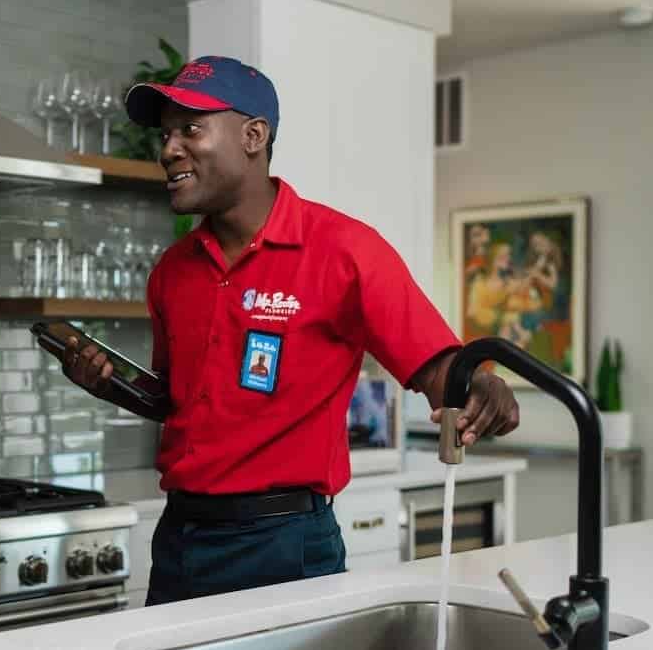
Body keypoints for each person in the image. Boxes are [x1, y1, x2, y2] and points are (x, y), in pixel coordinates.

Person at [62, 56, 520, 605]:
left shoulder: (346, 250)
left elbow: (440, 370)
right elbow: (178, 400)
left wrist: (480, 385)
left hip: (286, 545)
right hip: (181, 539)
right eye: (165, 135)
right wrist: (112, 384)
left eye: (190, 129)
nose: (168, 150)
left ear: (253, 136)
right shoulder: (172, 271)